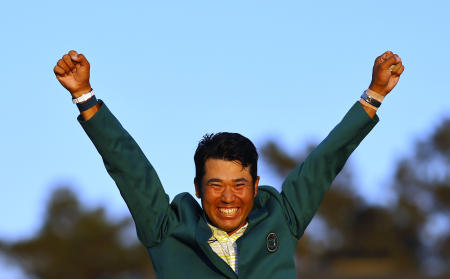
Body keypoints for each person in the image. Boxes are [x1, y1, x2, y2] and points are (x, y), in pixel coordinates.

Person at [54, 50, 404, 278]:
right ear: (197, 188)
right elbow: (129, 166)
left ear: (255, 185)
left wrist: (373, 94)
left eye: (239, 185)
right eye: (215, 185)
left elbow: (326, 160)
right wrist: (85, 96)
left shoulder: (282, 218)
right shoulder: (166, 229)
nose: (228, 197)